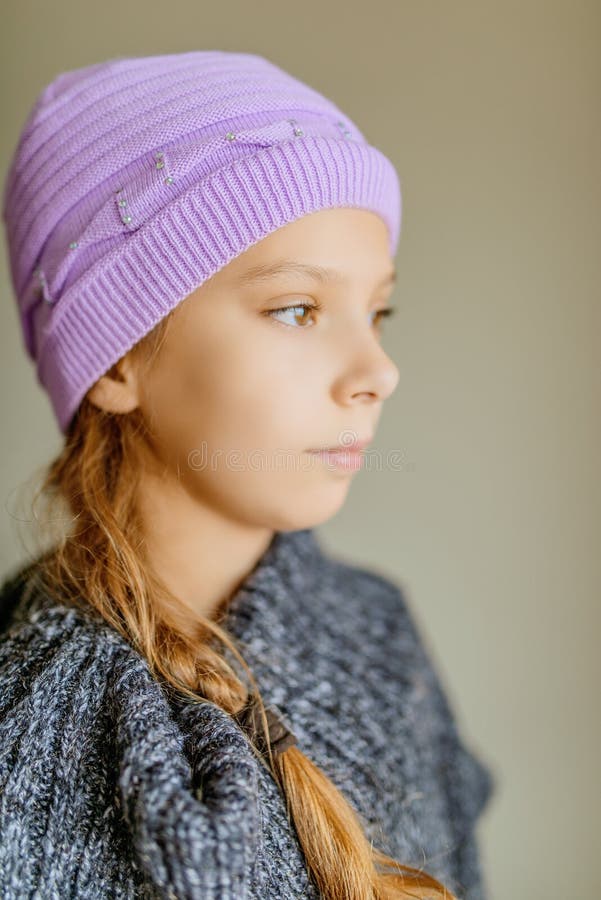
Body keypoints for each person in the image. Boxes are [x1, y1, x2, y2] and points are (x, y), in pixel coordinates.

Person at [0, 51, 496, 899]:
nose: (376, 369)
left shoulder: (376, 634)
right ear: (116, 358)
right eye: (297, 309)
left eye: (376, 313)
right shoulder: (27, 718)